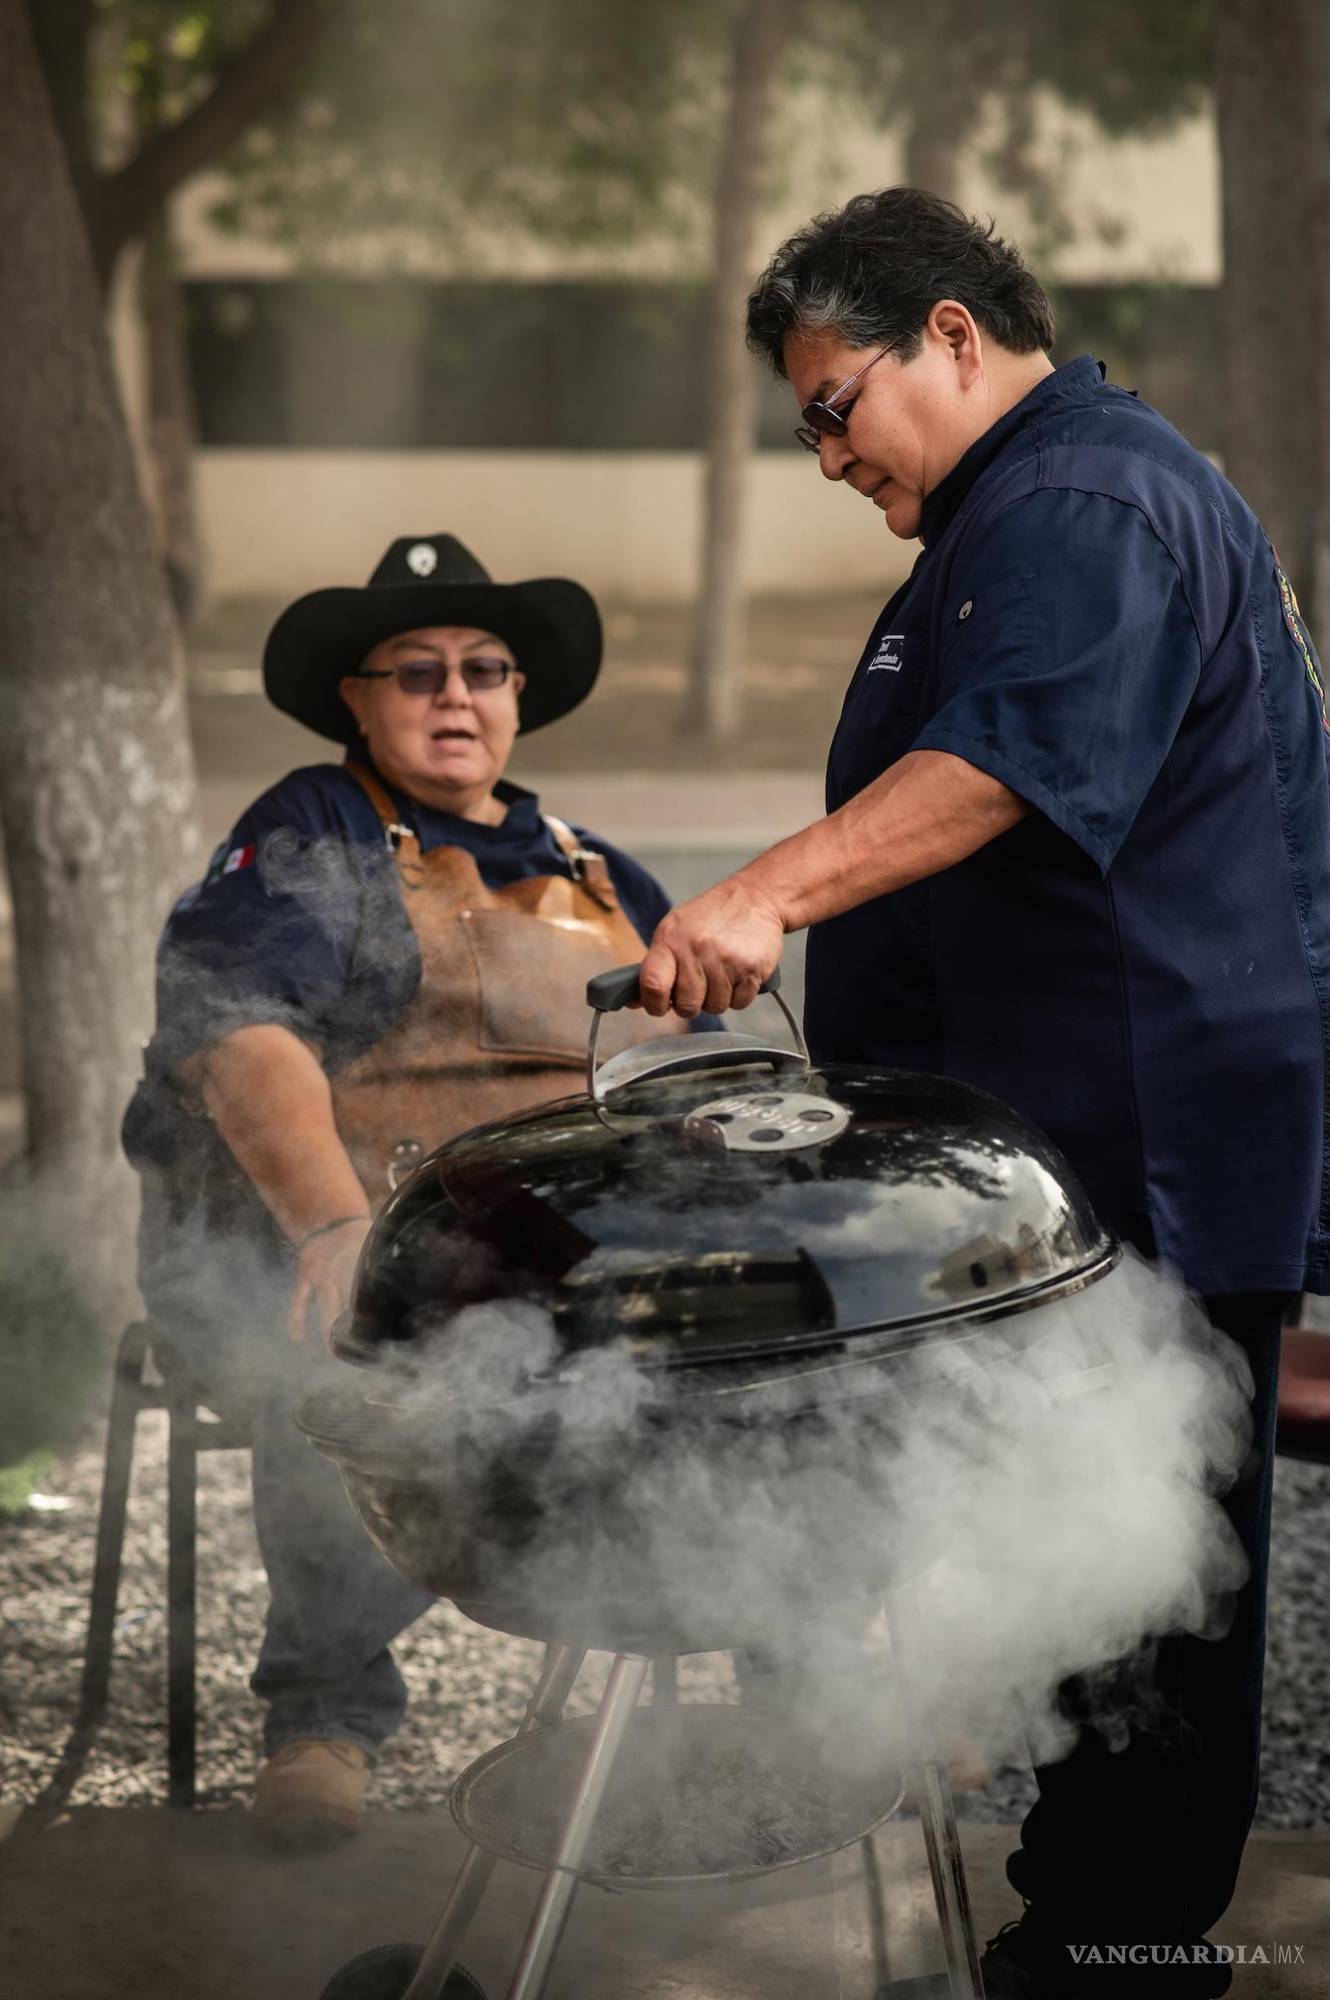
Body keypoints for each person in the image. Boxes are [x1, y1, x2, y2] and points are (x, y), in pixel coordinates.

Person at [635, 188, 1330, 1998]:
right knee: (1080, 1542)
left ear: (950, 333)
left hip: (1142, 1127)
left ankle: (1113, 1950)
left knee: (1155, 1564)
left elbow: (1013, 762)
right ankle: (1074, 1908)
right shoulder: (1015, 508)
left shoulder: (1080, 498)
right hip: (1060, 1134)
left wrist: (758, 893)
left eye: (829, 404)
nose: (821, 453)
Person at [123, 533, 687, 1847]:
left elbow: (689, 1082)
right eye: (417, 670)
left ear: (518, 695)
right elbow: (236, 1031)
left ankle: (790, 1679)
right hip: (339, 1245)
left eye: (483, 669)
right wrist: (332, 1227)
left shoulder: (598, 868)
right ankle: (324, 1709)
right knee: (363, 1338)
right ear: (356, 703)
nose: (455, 693)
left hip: (566, 1269)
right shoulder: (310, 833)